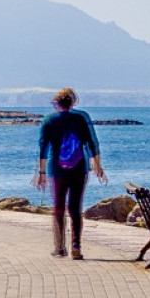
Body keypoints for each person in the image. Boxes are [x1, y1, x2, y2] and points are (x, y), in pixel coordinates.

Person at [34, 87, 105, 259]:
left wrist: (41, 173)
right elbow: (92, 142)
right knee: (75, 208)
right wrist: (97, 165)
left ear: (57, 103)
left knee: (58, 208)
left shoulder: (49, 120)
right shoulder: (81, 118)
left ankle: (59, 248)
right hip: (79, 169)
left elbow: (43, 148)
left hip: (56, 169)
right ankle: (76, 247)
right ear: (73, 102)